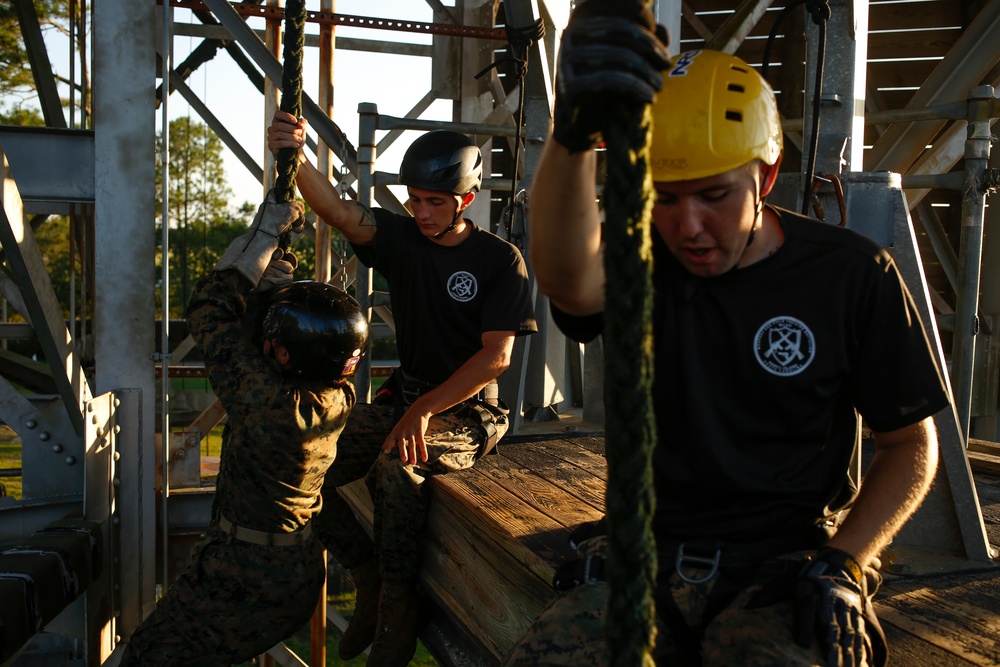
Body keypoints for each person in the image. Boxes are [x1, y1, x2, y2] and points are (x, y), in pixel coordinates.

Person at [507, 2, 950, 665]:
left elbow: (911, 443)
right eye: (666, 196)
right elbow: (567, 281)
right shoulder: (640, 260)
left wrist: (845, 564)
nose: (686, 226)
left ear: (765, 176)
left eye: (713, 196)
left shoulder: (850, 276)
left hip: (783, 560)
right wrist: (573, 134)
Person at [267, 117, 538, 665]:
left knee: (395, 472)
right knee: (310, 458)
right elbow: (339, 212)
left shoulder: (498, 261)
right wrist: (296, 154)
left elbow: (497, 358)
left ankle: (398, 607)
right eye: (414, 200)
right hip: (410, 394)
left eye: (435, 202)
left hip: (468, 409)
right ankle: (367, 576)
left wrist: (423, 410)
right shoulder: (402, 240)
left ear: (467, 198)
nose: (421, 212)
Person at [120, 193, 369, 666]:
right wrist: (265, 297)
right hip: (287, 568)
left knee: (148, 658)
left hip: (246, 576)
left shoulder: (275, 407)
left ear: (284, 356)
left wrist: (264, 236)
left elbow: (209, 308)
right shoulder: (336, 393)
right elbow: (265, 360)